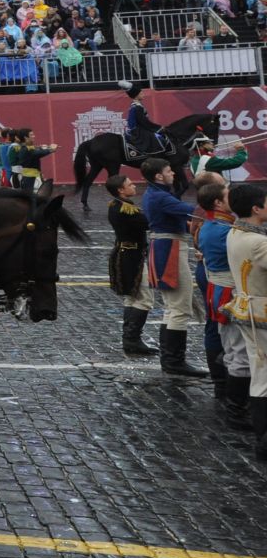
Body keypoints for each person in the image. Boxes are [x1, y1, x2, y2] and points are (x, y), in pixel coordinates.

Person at [140, 156, 206, 378]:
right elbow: (195, 211)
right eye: (169, 170)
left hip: (165, 246)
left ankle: (170, 359)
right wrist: (213, 196)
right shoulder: (160, 196)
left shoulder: (156, 194)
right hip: (170, 248)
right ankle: (175, 361)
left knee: (172, 306)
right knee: (180, 306)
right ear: (158, 176)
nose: (173, 173)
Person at [195, 179, 251, 429]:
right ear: (218, 202)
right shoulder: (224, 231)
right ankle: (237, 407)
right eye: (228, 195)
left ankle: (228, 392)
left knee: (232, 346)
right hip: (229, 292)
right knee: (237, 348)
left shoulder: (215, 225)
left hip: (221, 290)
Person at [222, 182, 267, 461]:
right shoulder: (258, 242)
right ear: (256, 208)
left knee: (260, 373)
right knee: (263, 376)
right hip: (261, 313)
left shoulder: (237, 231)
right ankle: (264, 439)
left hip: (246, 308)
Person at [105, 174, 159, 357]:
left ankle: (130, 339)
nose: (134, 185)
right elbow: (148, 223)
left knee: (131, 297)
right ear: (121, 190)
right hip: (132, 256)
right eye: (130, 184)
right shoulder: (126, 209)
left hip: (125, 254)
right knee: (144, 298)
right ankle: (132, 340)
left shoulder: (115, 205)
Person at [125, 83, 164, 159]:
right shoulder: (137, 107)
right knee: (156, 138)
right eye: (141, 93)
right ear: (136, 95)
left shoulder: (136, 105)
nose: (143, 94)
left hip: (137, 128)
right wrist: (158, 128)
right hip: (137, 130)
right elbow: (144, 122)